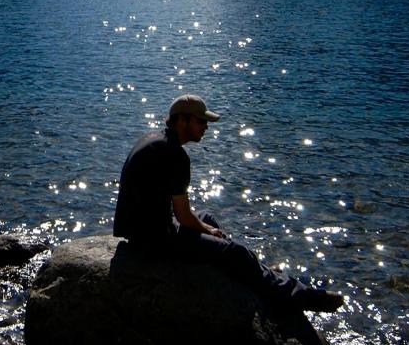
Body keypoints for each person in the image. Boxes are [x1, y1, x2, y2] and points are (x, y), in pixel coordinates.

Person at [113, 93, 344, 313]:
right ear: (182, 120)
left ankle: (256, 271)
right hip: (153, 240)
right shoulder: (174, 155)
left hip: (141, 229)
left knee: (207, 218)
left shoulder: (153, 139)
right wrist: (208, 231)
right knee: (232, 251)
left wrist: (206, 227)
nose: (206, 127)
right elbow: (183, 216)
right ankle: (299, 296)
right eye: (201, 121)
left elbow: (179, 213)